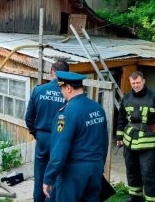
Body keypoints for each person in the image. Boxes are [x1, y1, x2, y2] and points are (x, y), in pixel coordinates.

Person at [43, 71, 108, 201]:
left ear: (68, 88)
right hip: (95, 167)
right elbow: (104, 141)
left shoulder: (67, 113)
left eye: (62, 88)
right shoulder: (98, 108)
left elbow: (59, 149)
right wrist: (100, 165)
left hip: (74, 171)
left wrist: (49, 177)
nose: (62, 92)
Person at [116, 71, 155, 202]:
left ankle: (153, 199)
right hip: (129, 142)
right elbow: (121, 119)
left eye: (138, 82)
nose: (136, 85)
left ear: (144, 81)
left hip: (148, 143)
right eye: (133, 83)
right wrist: (119, 137)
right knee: (131, 170)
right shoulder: (126, 98)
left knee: (148, 173)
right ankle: (135, 197)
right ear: (130, 83)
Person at [25, 60, 69, 202]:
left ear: (52, 72)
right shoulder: (68, 93)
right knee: (56, 175)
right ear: (66, 74)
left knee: (40, 175)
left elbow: (28, 117)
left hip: (42, 137)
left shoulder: (38, 90)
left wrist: (35, 133)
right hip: (60, 138)